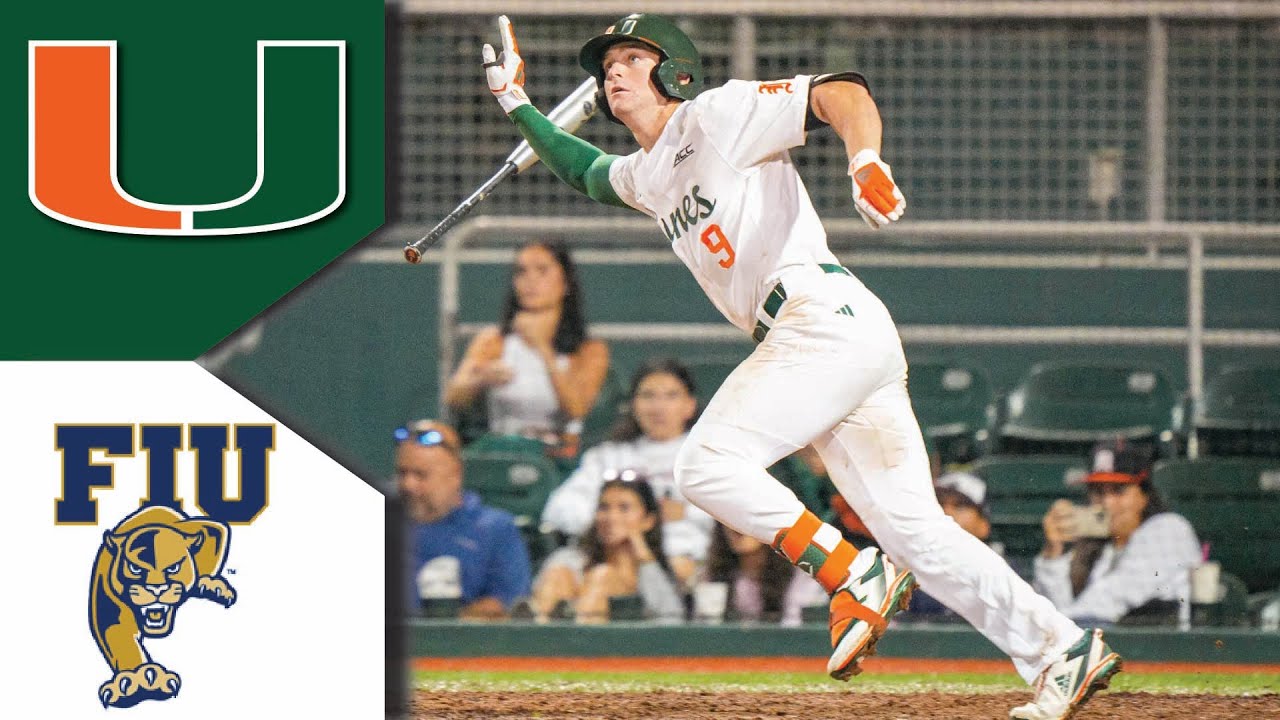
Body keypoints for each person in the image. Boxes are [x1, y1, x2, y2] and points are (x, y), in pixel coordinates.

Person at [480, 14, 1120, 717]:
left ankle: (850, 572)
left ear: (675, 70)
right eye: (608, 65)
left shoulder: (716, 113)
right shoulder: (647, 173)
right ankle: (1061, 650)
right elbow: (584, 169)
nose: (614, 71)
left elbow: (841, 92)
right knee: (917, 533)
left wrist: (864, 160)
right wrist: (518, 104)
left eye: (633, 57)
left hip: (817, 317)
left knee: (705, 465)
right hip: (832, 337)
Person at [541, 358, 713, 584]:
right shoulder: (608, 455)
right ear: (633, 404)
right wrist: (616, 520)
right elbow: (559, 509)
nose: (658, 407)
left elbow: (738, 515)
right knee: (558, 571)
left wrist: (687, 512)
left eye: (671, 396)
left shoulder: (710, 455)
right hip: (607, 554)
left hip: (680, 555)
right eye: (648, 396)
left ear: (689, 405)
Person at [444, 239, 610, 460]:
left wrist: (543, 348)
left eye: (542, 271)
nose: (530, 280)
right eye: (521, 272)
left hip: (555, 457)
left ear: (565, 283)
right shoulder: (492, 341)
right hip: (499, 451)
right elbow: (453, 397)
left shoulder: (589, 349)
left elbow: (577, 409)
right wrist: (480, 379)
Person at [1036, 438, 1201, 627]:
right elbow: (1060, 620)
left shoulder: (1169, 529)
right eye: (1098, 492)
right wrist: (1053, 553)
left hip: (1164, 644)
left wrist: (1056, 626)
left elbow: (1108, 602)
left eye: (1119, 490)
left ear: (1145, 496)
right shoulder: (1099, 549)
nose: (1107, 503)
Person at [395, 419, 531, 619]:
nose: (408, 485)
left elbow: (506, 603)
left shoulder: (494, 529)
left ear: (456, 474)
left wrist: (448, 626)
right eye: (402, 473)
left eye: (420, 475)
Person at [531, 474, 684, 622]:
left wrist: (643, 555)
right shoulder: (570, 559)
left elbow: (671, 617)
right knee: (558, 573)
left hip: (626, 637)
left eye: (624, 508)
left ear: (648, 520)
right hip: (557, 634)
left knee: (603, 576)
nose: (611, 517)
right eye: (604, 508)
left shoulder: (657, 568)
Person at [702, 522, 829, 626]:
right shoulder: (715, 572)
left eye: (747, 517)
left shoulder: (800, 574)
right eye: (729, 517)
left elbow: (796, 629)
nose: (737, 526)